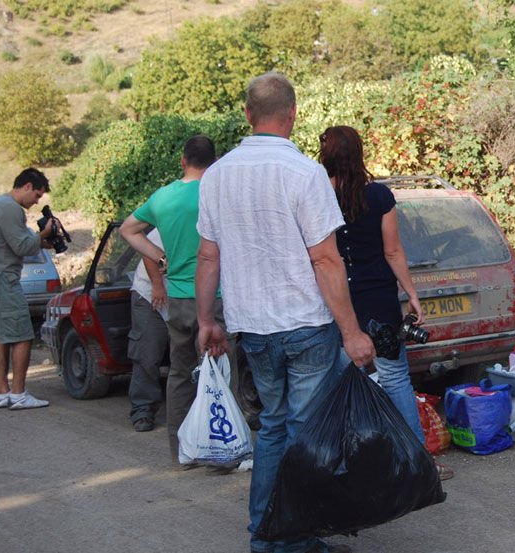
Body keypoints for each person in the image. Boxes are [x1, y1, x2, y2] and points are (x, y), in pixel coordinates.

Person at [195, 72, 374, 553]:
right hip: (306, 326)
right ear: (292, 115)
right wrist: (352, 332)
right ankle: (293, 537)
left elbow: (208, 256)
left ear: (249, 115)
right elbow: (325, 259)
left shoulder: (216, 175)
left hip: (252, 326)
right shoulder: (305, 174)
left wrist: (207, 321)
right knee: (302, 431)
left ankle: (265, 535)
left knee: (273, 427)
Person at [318, 125, 453, 481]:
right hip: (379, 300)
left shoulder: (315, 196)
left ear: (325, 156)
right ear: (359, 153)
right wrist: (411, 293)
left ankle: (344, 464)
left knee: (337, 381)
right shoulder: (378, 197)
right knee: (395, 380)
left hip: (334, 301)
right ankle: (419, 462)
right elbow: (392, 250)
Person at [119, 135, 231, 463]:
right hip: (220, 297)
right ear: (214, 162)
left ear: (183, 161)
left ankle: (180, 451)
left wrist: (159, 255)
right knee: (223, 371)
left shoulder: (162, 197)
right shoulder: (219, 192)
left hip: (179, 300)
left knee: (181, 374)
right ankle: (225, 448)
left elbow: (128, 230)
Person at [0, 168, 56, 410]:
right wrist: (43, 233)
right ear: (28, 186)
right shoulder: (11, 208)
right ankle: (19, 393)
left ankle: (1, 391)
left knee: (0, 336)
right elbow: (21, 246)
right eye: (38, 195)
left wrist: (40, 241)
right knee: (22, 335)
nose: (37, 201)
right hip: (5, 280)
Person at [126, 229, 169, 432]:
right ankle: (143, 409)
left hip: (182, 297)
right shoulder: (176, 216)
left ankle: (193, 409)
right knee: (147, 352)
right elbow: (147, 250)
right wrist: (157, 285)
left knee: (185, 355)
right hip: (149, 294)